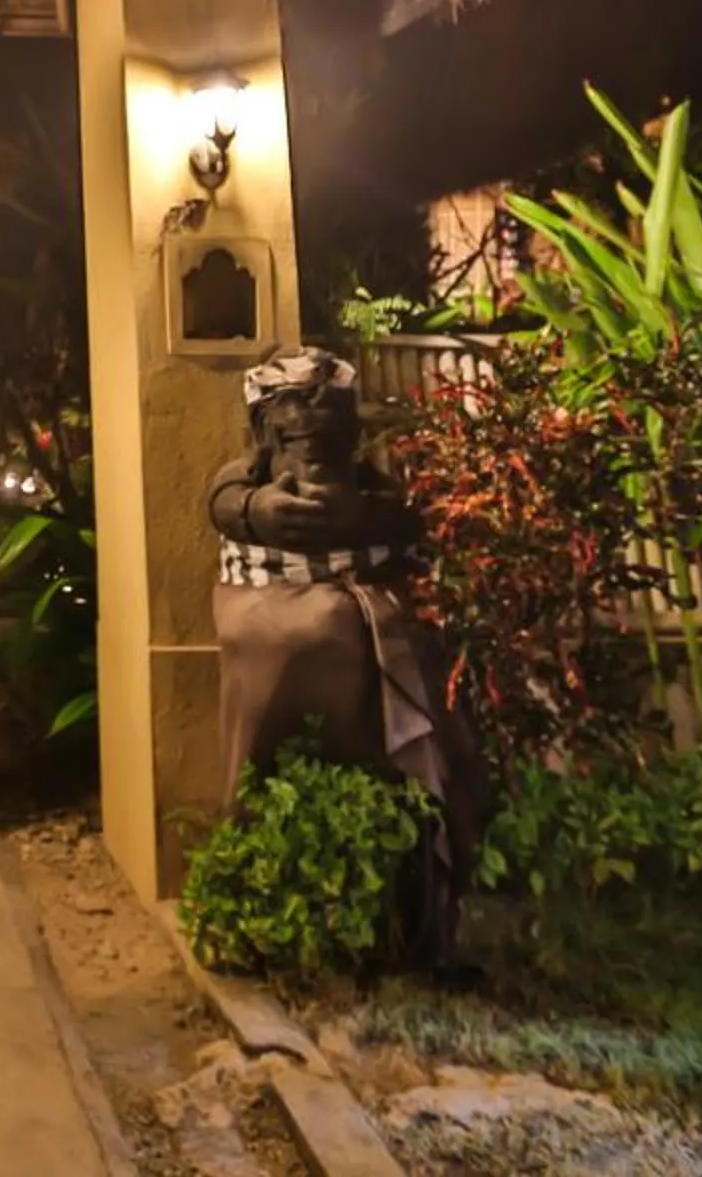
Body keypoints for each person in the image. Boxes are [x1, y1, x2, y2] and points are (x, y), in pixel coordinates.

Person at [207, 347, 484, 967]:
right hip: (271, 613)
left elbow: (407, 517)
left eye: (330, 427)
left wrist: (362, 517)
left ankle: (415, 889)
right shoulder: (246, 474)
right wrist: (258, 512)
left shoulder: (368, 480)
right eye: (294, 423)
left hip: (364, 622)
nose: (312, 436)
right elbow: (222, 502)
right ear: (263, 429)